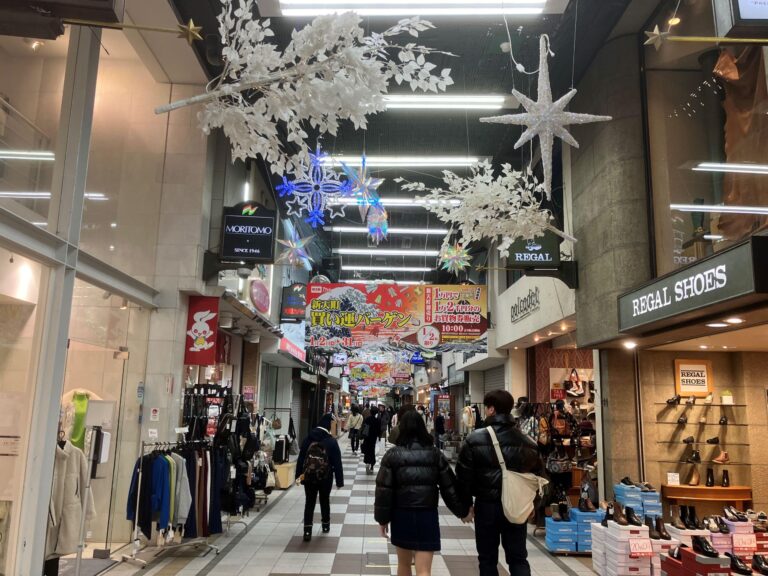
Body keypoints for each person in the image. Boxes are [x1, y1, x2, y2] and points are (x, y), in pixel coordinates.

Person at [456, 390, 544, 576]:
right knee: (518, 558)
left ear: (491, 410)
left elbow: (463, 477)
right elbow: (539, 478)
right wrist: (532, 504)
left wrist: (466, 506)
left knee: (487, 559)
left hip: (486, 506)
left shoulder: (474, 439)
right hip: (516, 506)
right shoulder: (528, 442)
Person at [375, 411, 469, 576]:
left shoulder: (392, 455)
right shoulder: (435, 454)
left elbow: (384, 491)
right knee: (424, 570)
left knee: (403, 565)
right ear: (423, 428)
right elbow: (449, 486)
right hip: (427, 514)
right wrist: (462, 511)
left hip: (401, 515)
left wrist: (382, 519)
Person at [296, 413, 344, 542]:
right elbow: (337, 462)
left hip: (309, 476)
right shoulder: (331, 441)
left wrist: (298, 477)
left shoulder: (308, 438)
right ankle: (325, 525)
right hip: (325, 477)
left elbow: (301, 459)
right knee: (324, 500)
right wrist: (339, 481)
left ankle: (307, 530)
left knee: (309, 502)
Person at [361, 407, 380, 473]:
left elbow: (364, 428)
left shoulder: (367, 419)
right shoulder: (377, 420)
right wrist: (379, 436)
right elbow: (378, 430)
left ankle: (367, 463)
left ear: (370, 412)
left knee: (367, 451)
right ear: (376, 413)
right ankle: (372, 466)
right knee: (372, 451)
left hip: (367, 437)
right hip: (373, 438)